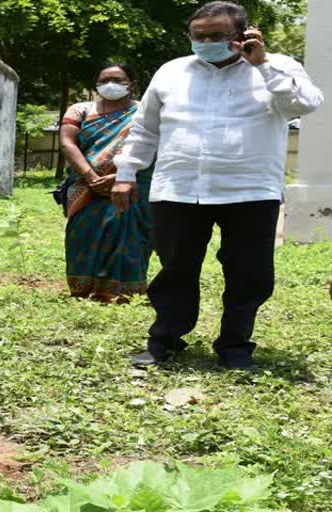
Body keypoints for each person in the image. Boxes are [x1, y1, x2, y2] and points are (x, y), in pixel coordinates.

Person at [111, 1, 324, 368]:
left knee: (249, 272)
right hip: (178, 188)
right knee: (175, 267)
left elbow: (306, 104)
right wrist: (126, 173)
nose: (206, 41)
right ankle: (165, 340)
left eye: (217, 35)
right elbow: (146, 129)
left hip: (251, 190)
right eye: (199, 35)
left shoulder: (278, 67)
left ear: (243, 34)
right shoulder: (171, 72)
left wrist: (263, 65)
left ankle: (235, 346)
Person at [59, 63, 153, 303]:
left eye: (118, 79)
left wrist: (122, 175)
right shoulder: (80, 110)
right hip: (84, 187)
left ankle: (122, 292)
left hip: (130, 184)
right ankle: (82, 289)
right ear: (96, 83)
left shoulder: (145, 111)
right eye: (105, 79)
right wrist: (90, 176)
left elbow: (152, 145)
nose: (111, 84)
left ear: (131, 84)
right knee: (82, 235)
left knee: (127, 234)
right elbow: (68, 143)